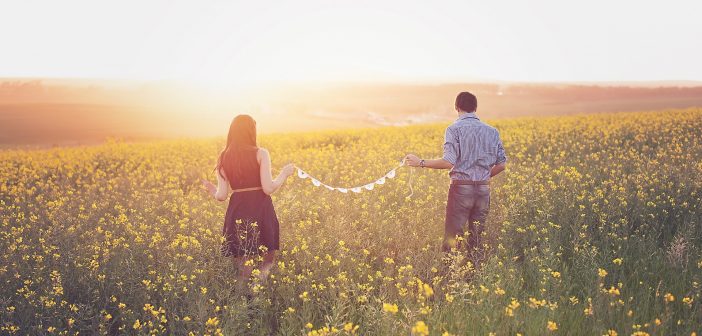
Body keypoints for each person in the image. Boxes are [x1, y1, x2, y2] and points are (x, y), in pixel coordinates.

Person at [405, 91, 507, 259]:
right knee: (476, 239)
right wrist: (482, 177)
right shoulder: (492, 131)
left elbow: (448, 161)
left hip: (461, 190)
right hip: (483, 190)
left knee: (453, 239)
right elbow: (501, 164)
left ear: (456, 108)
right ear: (475, 108)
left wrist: (420, 162)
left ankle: (451, 277)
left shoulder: (454, 129)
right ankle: (474, 277)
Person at [203, 115, 294, 282]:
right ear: (252, 131)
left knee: (245, 264)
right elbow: (268, 188)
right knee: (267, 259)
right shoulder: (261, 153)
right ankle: (257, 292)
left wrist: (212, 190)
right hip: (260, 208)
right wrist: (284, 173)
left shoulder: (223, 157)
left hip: (237, 210)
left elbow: (222, 196)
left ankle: (243, 300)